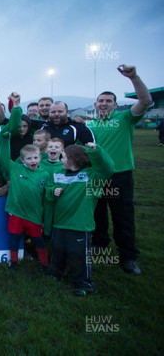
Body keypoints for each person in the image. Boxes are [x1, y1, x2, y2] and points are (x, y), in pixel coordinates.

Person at [87, 64, 152, 275]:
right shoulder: (90, 125)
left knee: (123, 216)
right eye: (101, 101)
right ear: (96, 104)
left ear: (116, 105)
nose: (104, 104)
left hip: (120, 175)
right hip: (96, 175)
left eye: (109, 101)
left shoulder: (124, 118)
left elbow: (145, 101)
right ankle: (100, 244)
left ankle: (128, 257)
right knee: (97, 213)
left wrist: (134, 77)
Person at [47, 143, 114, 296]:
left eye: (63, 156)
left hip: (79, 224)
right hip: (59, 222)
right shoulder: (58, 172)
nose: (60, 159)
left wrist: (96, 151)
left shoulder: (92, 176)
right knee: (58, 251)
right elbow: (49, 188)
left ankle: (83, 283)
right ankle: (55, 273)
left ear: (73, 160)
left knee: (78, 255)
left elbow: (108, 168)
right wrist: (52, 191)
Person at [4, 144, 50, 271]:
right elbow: (1, 156)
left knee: (38, 240)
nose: (33, 161)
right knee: (14, 239)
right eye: (29, 158)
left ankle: (44, 264)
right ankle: (13, 261)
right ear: (22, 160)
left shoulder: (45, 175)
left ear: (40, 158)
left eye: (35, 157)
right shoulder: (15, 169)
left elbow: (47, 196)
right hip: (16, 213)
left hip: (34, 215)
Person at [30, 102, 95, 147]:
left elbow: (90, 149)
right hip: (45, 166)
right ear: (49, 113)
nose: (56, 114)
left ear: (67, 112)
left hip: (69, 166)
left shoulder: (79, 127)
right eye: (53, 112)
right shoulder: (43, 126)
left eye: (60, 111)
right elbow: (22, 121)